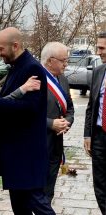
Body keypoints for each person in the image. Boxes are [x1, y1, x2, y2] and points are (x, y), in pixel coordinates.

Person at [0, 27, 55, 214]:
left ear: (15, 46)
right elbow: (12, 98)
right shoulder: (17, 66)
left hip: (25, 153)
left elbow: (30, 108)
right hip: (15, 154)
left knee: (38, 204)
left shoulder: (31, 68)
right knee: (19, 206)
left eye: (1, 49)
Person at [40, 42, 74, 202]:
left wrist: (67, 122)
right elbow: (25, 115)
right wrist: (50, 124)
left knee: (49, 191)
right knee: (36, 194)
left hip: (56, 144)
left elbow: (70, 108)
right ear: (50, 61)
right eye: (63, 60)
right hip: (38, 145)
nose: (66, 65)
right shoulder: (35, 80)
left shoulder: (63, 80)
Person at [84, 32, 106, 214]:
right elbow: (91, 106)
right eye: (98, 47)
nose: (99, 52)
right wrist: (87, 134)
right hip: (99, 136)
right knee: (100, 183)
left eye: (102, 48)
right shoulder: (98, 72)